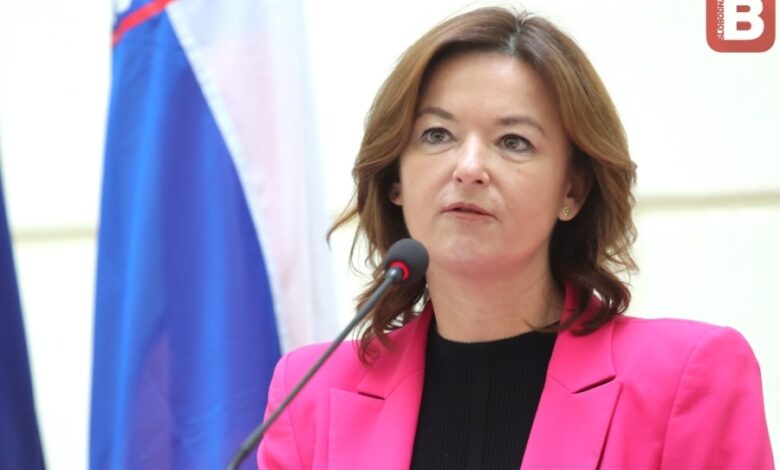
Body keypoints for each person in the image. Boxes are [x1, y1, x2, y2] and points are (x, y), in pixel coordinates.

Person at [257, 7, 774, 469]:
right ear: (395, 179)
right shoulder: (309, 396)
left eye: (513, 141)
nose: (469, 167)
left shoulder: (686, 377)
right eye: (437, 135)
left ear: (572, 189)